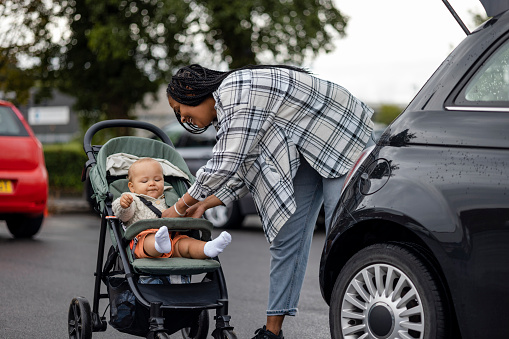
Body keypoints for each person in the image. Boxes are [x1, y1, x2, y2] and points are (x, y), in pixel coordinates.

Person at [162, 64, 374, 339]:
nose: (183, 118)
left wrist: (178, 207)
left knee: (342, 241)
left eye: (180, 109)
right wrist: (206, 203)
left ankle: (356, 329)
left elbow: (226, 162)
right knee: (287, 239)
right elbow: (247, 164)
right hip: (306, 149)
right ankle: (272, 334)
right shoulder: (231, 106)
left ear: (190, 92)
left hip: (342, 135)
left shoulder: (234, 91)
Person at [112, 157, 231, 260]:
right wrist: (124, 206)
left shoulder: (169, 196)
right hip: (143, 240)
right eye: (144, 181)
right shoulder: (131, 198)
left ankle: (207, 248)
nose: (152, 183)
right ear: (132, 187)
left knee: (187, 244)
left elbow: (183, 210)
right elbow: (123, 216)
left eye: (157, 179)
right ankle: (159, 244)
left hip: (172, 237)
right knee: (150, 241)